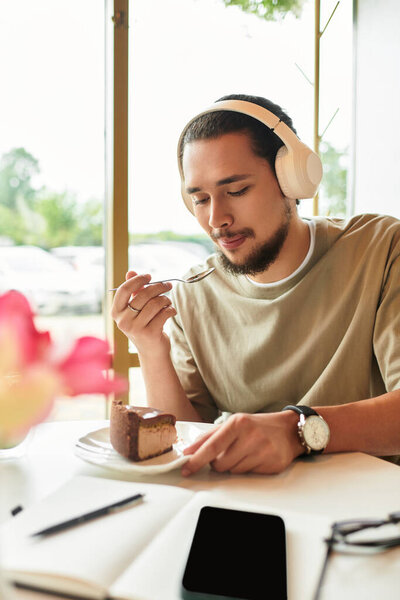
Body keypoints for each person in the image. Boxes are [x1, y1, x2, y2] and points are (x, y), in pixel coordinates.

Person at [111, 93, 400, 476]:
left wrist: (296, 430)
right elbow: (185, 442)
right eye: (199, 198)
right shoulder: (191, 297)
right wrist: (151, 348)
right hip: (247, 509)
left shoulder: (380, 249)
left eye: (236, 191)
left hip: (365, 516)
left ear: (292, 179)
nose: (217, 219)